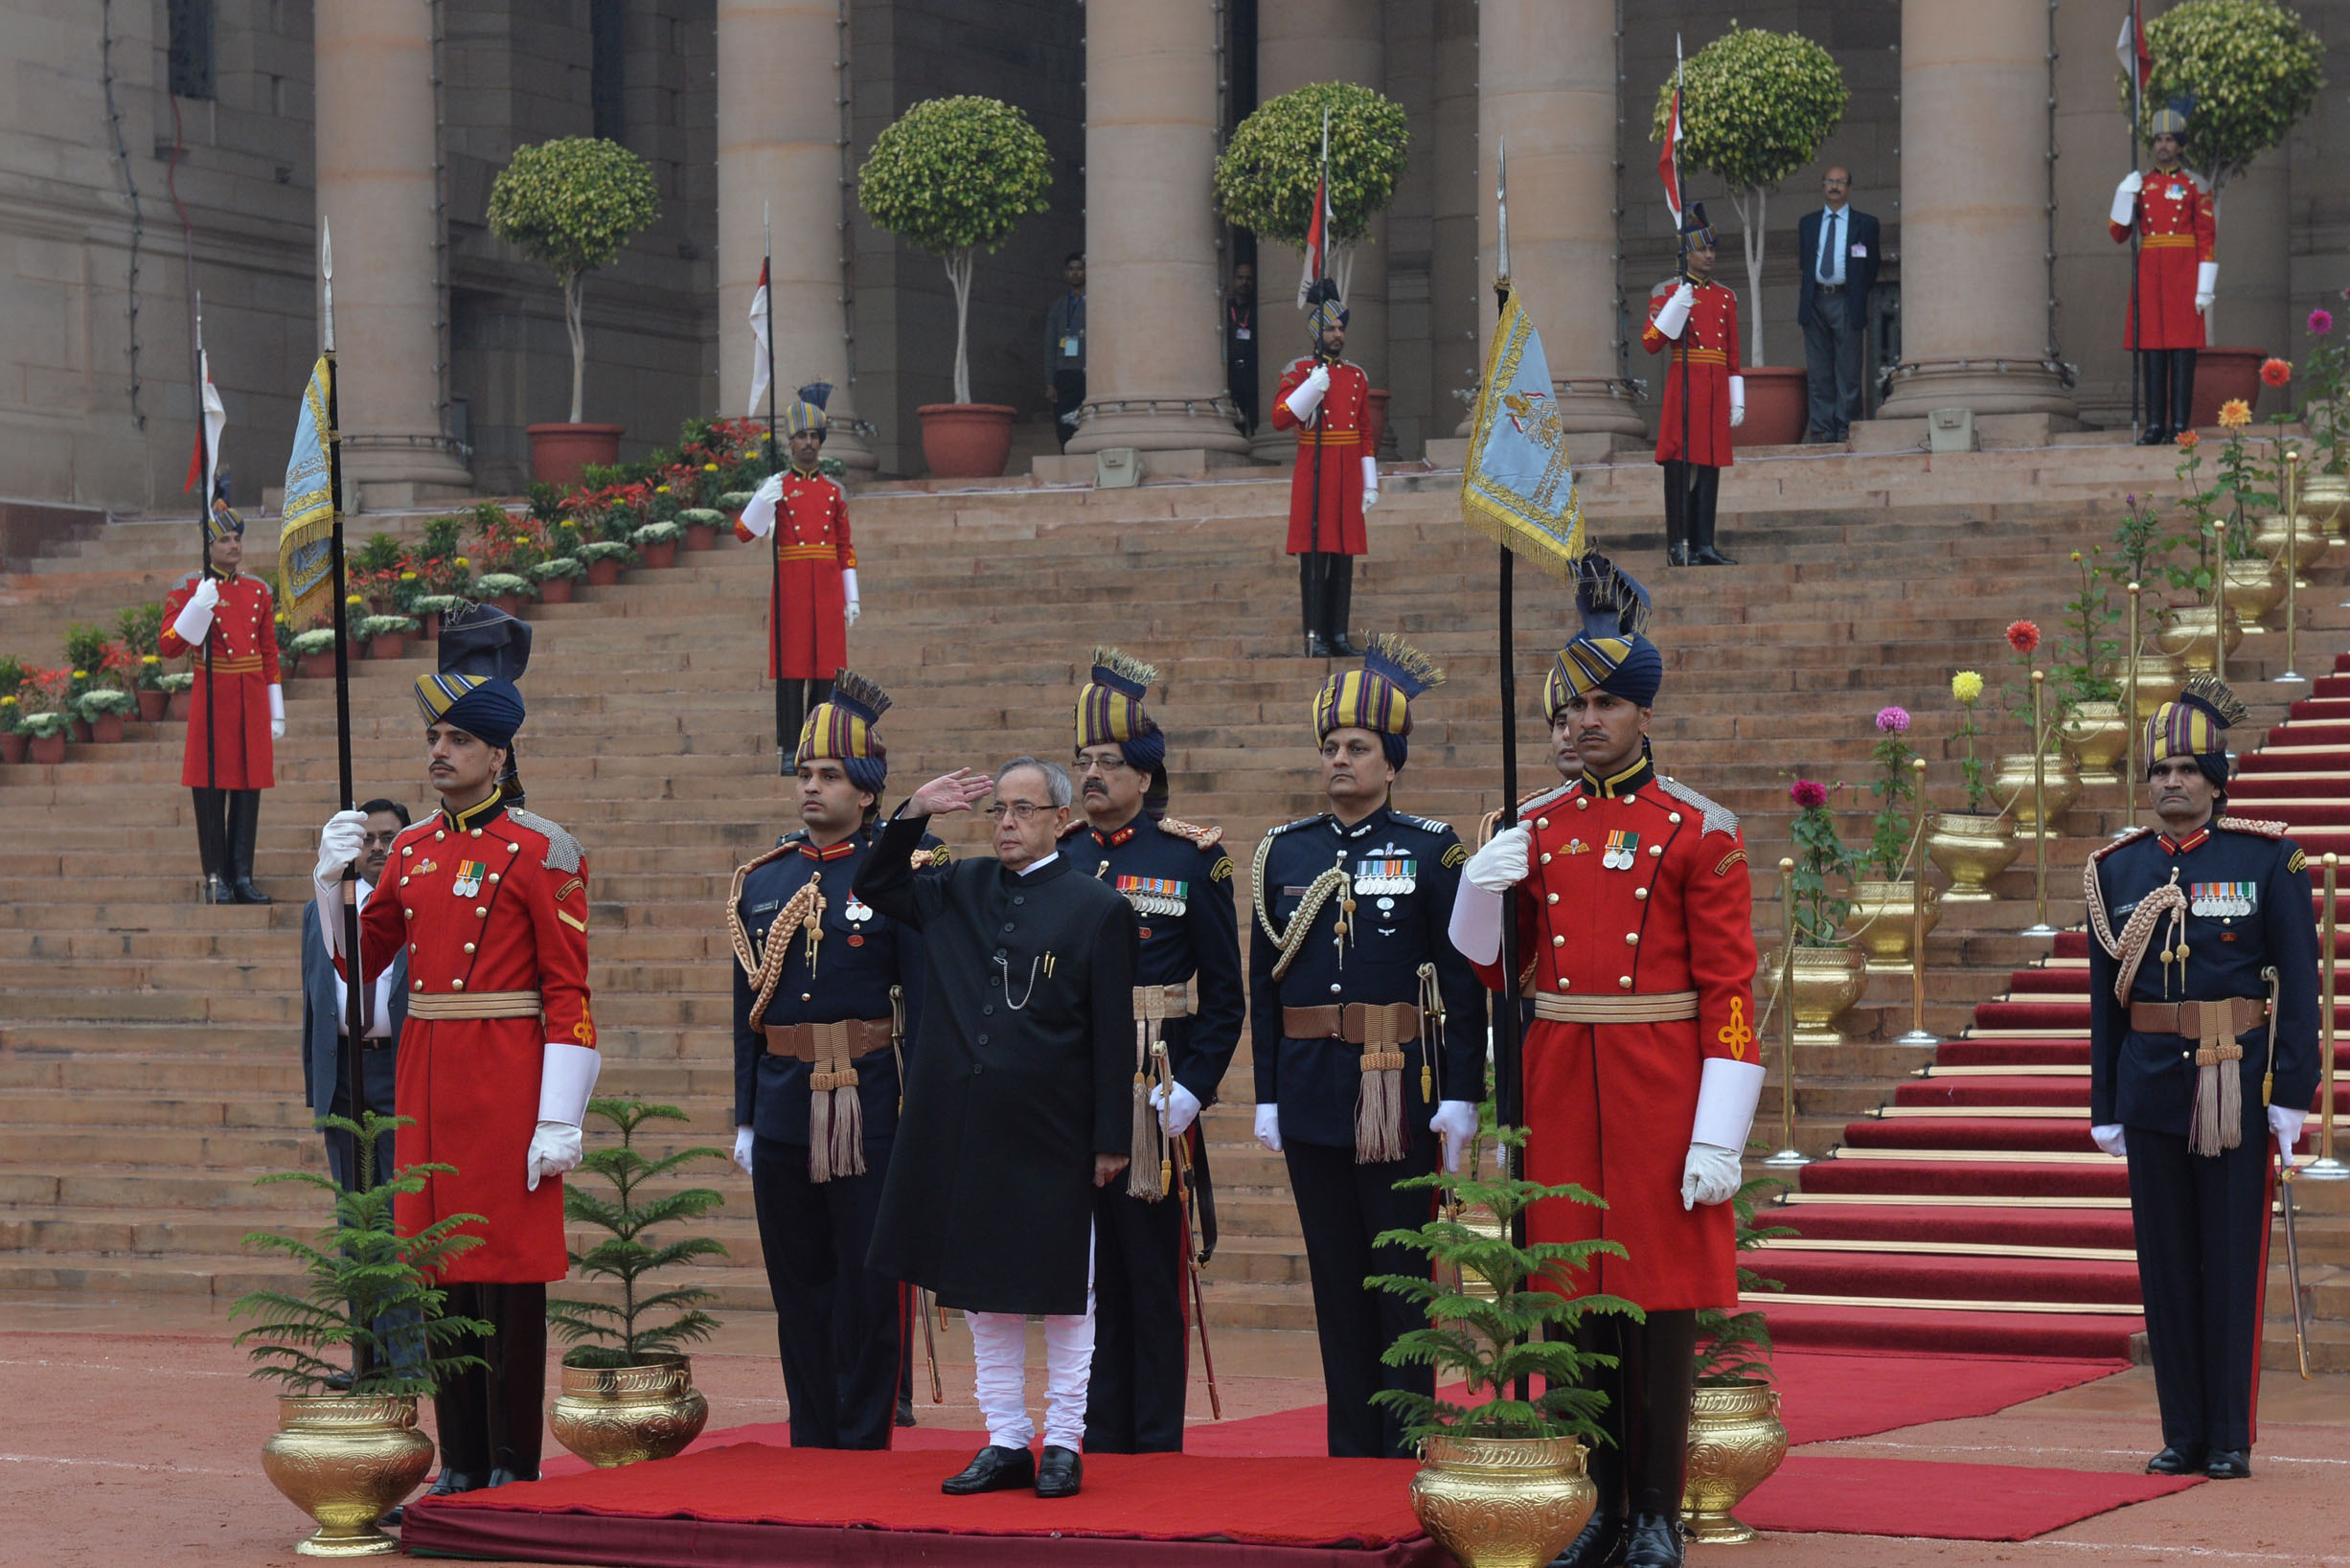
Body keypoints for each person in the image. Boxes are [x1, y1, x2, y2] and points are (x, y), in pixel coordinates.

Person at [1448, 564, 1762, 1568]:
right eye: (1568, 706)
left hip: (1659, 1081)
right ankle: (1600, 1501)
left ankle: (1659, 1507)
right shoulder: (1531, 825)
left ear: (1641, 711)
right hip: (1559, 1073)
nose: (1578, 722)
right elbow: (1493, 964)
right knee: (1574, 1299)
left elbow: (1731, 991)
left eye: (1600, 704)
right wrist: (1474, 887)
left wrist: (1719, 1127)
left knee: (1658, 1303)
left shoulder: (1696, 829)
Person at [310, 604, 597, 1495]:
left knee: (507, 1279)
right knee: (439, 1271)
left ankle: (511, 1461)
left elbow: (568, 991)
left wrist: (560, 1114)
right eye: (434, 736)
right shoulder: (416, 853)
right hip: (429, 1077)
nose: (439, 751)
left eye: (458, 739)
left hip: (508, 1076)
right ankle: (462, 1460)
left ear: (497, 755)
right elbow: (360, 964)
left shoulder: (541, 849)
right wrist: (330, 887)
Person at [860, 758, 1138, 1500]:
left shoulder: (1096, 907)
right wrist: (914, 810)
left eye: (1023, 809)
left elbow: (1115, 1035)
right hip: (963, 1126)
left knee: (1063, 1294)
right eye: (998, 811)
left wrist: (1113, 1134)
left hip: (1054, 1127)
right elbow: (874, 884)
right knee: (984, 1294)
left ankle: (1064, 1441)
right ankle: (1007, 1438)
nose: (1006, 822)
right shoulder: (959, 887)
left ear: (1058, 819)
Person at [1248, 635, 1484, 1459]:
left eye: (1356, 747)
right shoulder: (1284, 851)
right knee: (1336, 1278)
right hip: (1313, 1088)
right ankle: (1349, 1442)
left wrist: (1462, 1093)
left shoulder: (1432, 848)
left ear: (1392, 763)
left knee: (1400, 1280)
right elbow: (1264, 987)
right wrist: (1267, 1093)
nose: (1339, 759)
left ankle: (1406, 1438)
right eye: (1330, 747)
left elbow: (1460, 984)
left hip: (1399, 1086)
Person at [2086, 674, 2316, 1481]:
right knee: (2166, 1267)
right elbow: (2103, 1001)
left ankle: (2227, 1434)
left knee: (2227, 1263)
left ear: (2216, 782)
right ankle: (2180, 1429)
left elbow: (2299, 985)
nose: (2170, 782)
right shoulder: (2113, 872)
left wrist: (2292, 1092)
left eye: (2186, 769)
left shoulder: (2267, 859)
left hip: (2235, 1084)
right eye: (2158, 771)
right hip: (2149, 1085)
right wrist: (2103, 1102)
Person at [726, 670, 936, 1450]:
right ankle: (810, 1430)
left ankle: (863, 1433)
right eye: (804, 773)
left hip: (869, 1096)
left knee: (867, 1281)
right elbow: (743, 1009)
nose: (810, 787)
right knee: (798, 1281)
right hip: (783, 1097)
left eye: (829, 775)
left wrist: (923, 1113)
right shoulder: (765, 878)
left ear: (869, 790)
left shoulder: (897, 875)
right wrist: (746, 1113)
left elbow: (924, 1002)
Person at [1068, 648, 1243, 1454]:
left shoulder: (1188, 856)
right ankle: (1091, 1431)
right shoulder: (1058, 854)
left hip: (1151, 1087)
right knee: (1083, 1276)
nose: (1092, 774)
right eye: (1083, 760)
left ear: (1146, 773)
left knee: (1147, 1271)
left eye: (1108, 761)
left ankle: (1151, 1437)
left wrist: (1194, 1088)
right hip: (1070, 1086)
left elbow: (1226, 995)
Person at [158, 490, 284, 903]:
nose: (234, 546)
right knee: (211, 790)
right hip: (213, 700)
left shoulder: (258, 590)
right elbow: (170, 645)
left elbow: (268, 652)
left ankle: (242, 876)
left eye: (237, 539)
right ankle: (217, 877)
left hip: (250, 700)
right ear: (208, 546)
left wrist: (275, 707)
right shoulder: (189, 587)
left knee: (249, 790)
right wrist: (198, 606)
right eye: (225, 540)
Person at [736, 384, 859, 753]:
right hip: (791, 587)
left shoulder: (834, 492)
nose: (808, 443)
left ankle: (819, 742)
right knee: (792, 670)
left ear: (820, 443)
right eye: (801, 437)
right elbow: (744, 533)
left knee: (827, 672)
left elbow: (844, 547)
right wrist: (761, 500)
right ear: (790, 443)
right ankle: (790, 746)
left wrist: (851, 596)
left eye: (813, 436)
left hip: (826, 587)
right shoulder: (779, 487)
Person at [300, 797, 412, 1189]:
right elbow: (313, 996)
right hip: (343, 1067)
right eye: (367, 839)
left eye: (388, 837)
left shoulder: (419, 903)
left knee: (399, 1195)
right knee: (350, 1199)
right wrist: (317, 1079)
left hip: (398, 1063)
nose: (377, 847)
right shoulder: (320, 910)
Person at [1271, 286, 1377, 657]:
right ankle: (1313, 634)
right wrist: (1309, 390)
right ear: (1317, 332)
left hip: (1348, 472)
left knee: (1344, 558)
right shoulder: (1299, 371)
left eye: (1340, 329)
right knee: (1315, 557)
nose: (1337, 335)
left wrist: (1370, 481)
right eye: (1330, 328)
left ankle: (1338, 635)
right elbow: (1281, 418)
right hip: (1316, 471)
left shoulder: (1356, 376)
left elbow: (1365, 432)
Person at [1642, 203, 1742, 569]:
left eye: (1713, 249)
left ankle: (1704, 544)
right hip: (1685, 385)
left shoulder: (1725, 296)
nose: (1710, 255)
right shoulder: (1667, 291)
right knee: (1681, 466)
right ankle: (1678, 546)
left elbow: (1732, 355)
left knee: (1711, 465)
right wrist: (1676, 305)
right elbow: (1651, 342)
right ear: (1685, 254)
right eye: (1703, 249)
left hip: (1715, 389)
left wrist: (1737, 399)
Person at [2110, 102, 2216, 444]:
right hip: (2151, 274)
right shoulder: (2141, 185)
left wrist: (2205, 286)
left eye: (2169, 139)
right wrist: (2122, 196)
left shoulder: (2194, 185)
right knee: (2152, 350)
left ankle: (2180, 424)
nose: (2162, 146)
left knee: (2183, 351)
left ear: (2180, 144)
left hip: (2183, 273)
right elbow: (2118, 233)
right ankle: (2155, 425)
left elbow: (2206, 237)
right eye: (2158, 139)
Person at [1795, 168, 1880, 444]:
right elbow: (1804, 263)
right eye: (1830, 181)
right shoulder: (1807, 223)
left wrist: (1855, 293)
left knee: (1848, 371)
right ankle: (1822, 430)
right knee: (1819, 372)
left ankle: (1847, 427)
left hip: (1846, 299)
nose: (1834, 186)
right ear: (1822, 186)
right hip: (1815, 299)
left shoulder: (1865, 224)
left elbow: (1872, 267)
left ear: (1849, 188)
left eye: (1840, 181)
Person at [1045, 251, 1087, 450]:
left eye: (1080, 269)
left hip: (1086, 371)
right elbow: (1050, 345)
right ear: (1065, 273)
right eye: (1071, 269)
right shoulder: (1058, 306)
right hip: (1063, 372)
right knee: (1063, 425)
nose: (1076, 273)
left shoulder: (1096, 303)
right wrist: (1049, 382)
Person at [1225, 261, 1260, 435]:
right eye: (1240, 278)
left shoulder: (1257, 309)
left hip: (1252, 370)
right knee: (1234, 416)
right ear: (1233, 280)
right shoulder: (1225, 308)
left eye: (1248, 278)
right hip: (1230, 370)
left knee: (1254, 414)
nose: (1244, 282)